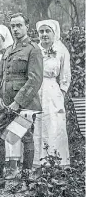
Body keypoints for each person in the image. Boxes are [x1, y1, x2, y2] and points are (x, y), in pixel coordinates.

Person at [0, 13, 43, 193]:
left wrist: (17, 102)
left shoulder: (33, 49)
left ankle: (25, 181)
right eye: (13, 26)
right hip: (4, 104)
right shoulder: (8, 50)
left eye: (19, 25)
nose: (15, 29)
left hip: (24, 104)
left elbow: (35, 80)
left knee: (26, 139)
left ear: (27, 26)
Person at [33, 20, 71, 166]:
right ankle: (36, 164)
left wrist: (60, 93)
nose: (44, 34)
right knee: (36, 123)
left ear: (54, 33)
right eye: (41, 32)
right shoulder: (35, 49)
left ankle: (54, 163)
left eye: (47, 31)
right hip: (35, 88)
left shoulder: (61, 51)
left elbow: (65, 75)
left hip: (52, 91)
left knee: (53, 124)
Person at [0, 24, 21, 179]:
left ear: (4, 38)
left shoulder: (9, 54)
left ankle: (13, 167)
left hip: (6, 93)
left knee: (11, 130)